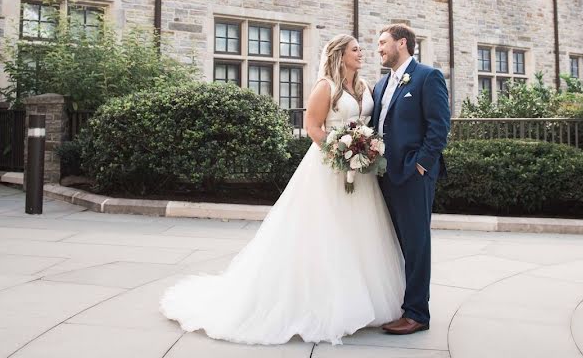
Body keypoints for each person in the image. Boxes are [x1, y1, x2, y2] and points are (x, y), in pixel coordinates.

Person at [159, 34, 404, 345]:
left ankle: (365, 301)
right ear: (341, 55)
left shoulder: (366, 86)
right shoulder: (325, 87)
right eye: (355, 50)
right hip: (330, 166)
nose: (362, 54)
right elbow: (313, 126)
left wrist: (364, 152)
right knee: (325, 232)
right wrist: (339, 154)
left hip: (363, 172)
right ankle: (324, 303)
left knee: (361, 233)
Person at [373, 24, 451, 335]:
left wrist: (420, 166)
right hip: (383, 175)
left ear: (401, 43)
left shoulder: (427, 77)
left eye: (383, 42)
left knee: (417, 244)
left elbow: (439, 127)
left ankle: (417, 313)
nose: (379, 48)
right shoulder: (380, 85)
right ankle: (398, 304)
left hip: (413, 176)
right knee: (394, 243)